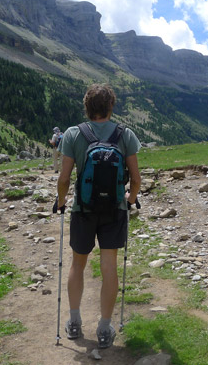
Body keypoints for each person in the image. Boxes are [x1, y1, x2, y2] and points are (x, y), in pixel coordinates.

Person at [56, 84, 142, 349]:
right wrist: (128, 200)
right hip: (113, 211)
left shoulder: (72, 134)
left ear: (86, 107)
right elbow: (136, 180)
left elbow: (64, 178)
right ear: (111, 106)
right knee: (109, 269)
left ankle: (73, 322)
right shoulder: (125, 134)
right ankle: (105, 328)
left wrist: (61, 203)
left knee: (77, 265)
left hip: (83, 209)